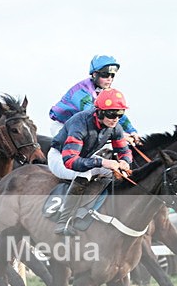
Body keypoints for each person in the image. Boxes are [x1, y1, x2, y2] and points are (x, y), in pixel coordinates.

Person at [48, 88, 132, 236]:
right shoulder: (80, 123)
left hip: (85, 158)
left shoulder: (115, 127)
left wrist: (125, 161)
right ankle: (63, 221)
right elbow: (70, 161)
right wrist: (102, 162)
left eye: (120, 114)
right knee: (85, 173)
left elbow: (124, 151)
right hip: (60, 158)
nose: (116, 119)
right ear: (99, 112)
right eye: (112, 114)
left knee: (118, 173)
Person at [48, 54, 139, 143]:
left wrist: (132, 131)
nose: (109, 79)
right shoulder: (82, 91)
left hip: (79, 127)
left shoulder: (104, 92)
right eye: (105, 75)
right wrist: (121, 134)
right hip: (62, 126)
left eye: (112, 75)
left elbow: (115, 113)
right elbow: (94, 114)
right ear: (95, 74)